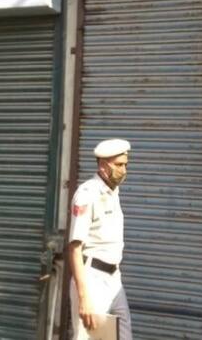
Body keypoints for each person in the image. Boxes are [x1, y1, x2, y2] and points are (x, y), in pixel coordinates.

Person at [68, 139, 133, 339]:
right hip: (92, 280)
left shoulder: (113, 192)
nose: (124, 170)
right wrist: (84, 297)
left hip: (114, 279)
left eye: (126, 165)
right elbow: (74, 248)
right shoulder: (87, 194)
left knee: (123, 335)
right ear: (103, 165)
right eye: (119, 165)